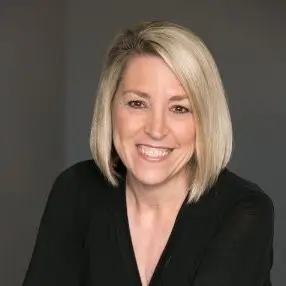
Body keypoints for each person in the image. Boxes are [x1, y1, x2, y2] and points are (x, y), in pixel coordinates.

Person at [23, 21, 274, 286]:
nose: (156, 130)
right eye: (137, 103)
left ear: (205, 121)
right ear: (110, 108)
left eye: (179, 108)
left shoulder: (243, 212)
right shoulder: (76, 190)